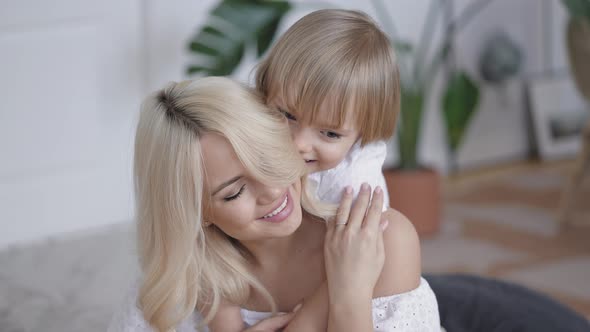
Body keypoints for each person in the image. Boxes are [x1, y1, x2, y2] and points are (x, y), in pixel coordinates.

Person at [108, 77, 440, 331]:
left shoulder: (378, 238)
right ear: (197, 213)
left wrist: (350, 293)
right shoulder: (185, 279)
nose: (271, 190)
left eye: (268, 159)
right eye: (234, 192)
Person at [255, 9, 400, 207]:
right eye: (287, 114)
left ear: (362, 135)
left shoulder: (353, 187)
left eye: (330, 134)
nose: (299, 144)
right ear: (267, 87)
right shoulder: (250, 121)